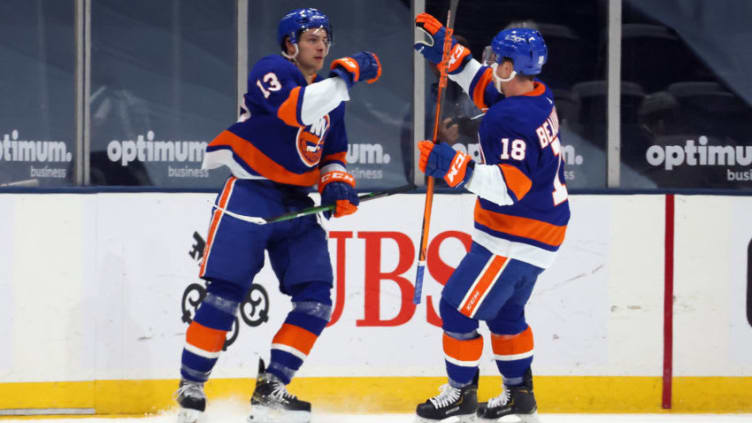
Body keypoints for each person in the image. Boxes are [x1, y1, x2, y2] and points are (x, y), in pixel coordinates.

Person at [174, 8, 381, 423]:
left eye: (325, 38)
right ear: (291, 45)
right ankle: (192, 383)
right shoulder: (270, 70)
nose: (321, 45)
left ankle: (273, 385)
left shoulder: (333, 95)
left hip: (296, 203)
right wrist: (346, 76)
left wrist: (336, 183)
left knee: (317, 300)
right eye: (312, 38)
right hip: (250, 191)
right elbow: (296, 111)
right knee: (224, 293)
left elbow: (332, 154)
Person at [412, 13, 571, 423]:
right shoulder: (537, 96)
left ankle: (461, 392)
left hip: (513, 236)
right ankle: (519, 396)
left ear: (508, 67)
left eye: (494, 58)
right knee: (505, 314)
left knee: (455, 309)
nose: (489, 62)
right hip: (544, 233)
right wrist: (455, 58)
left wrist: (454, 166)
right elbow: (490, 91)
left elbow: (508, 187)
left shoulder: (510, 120)